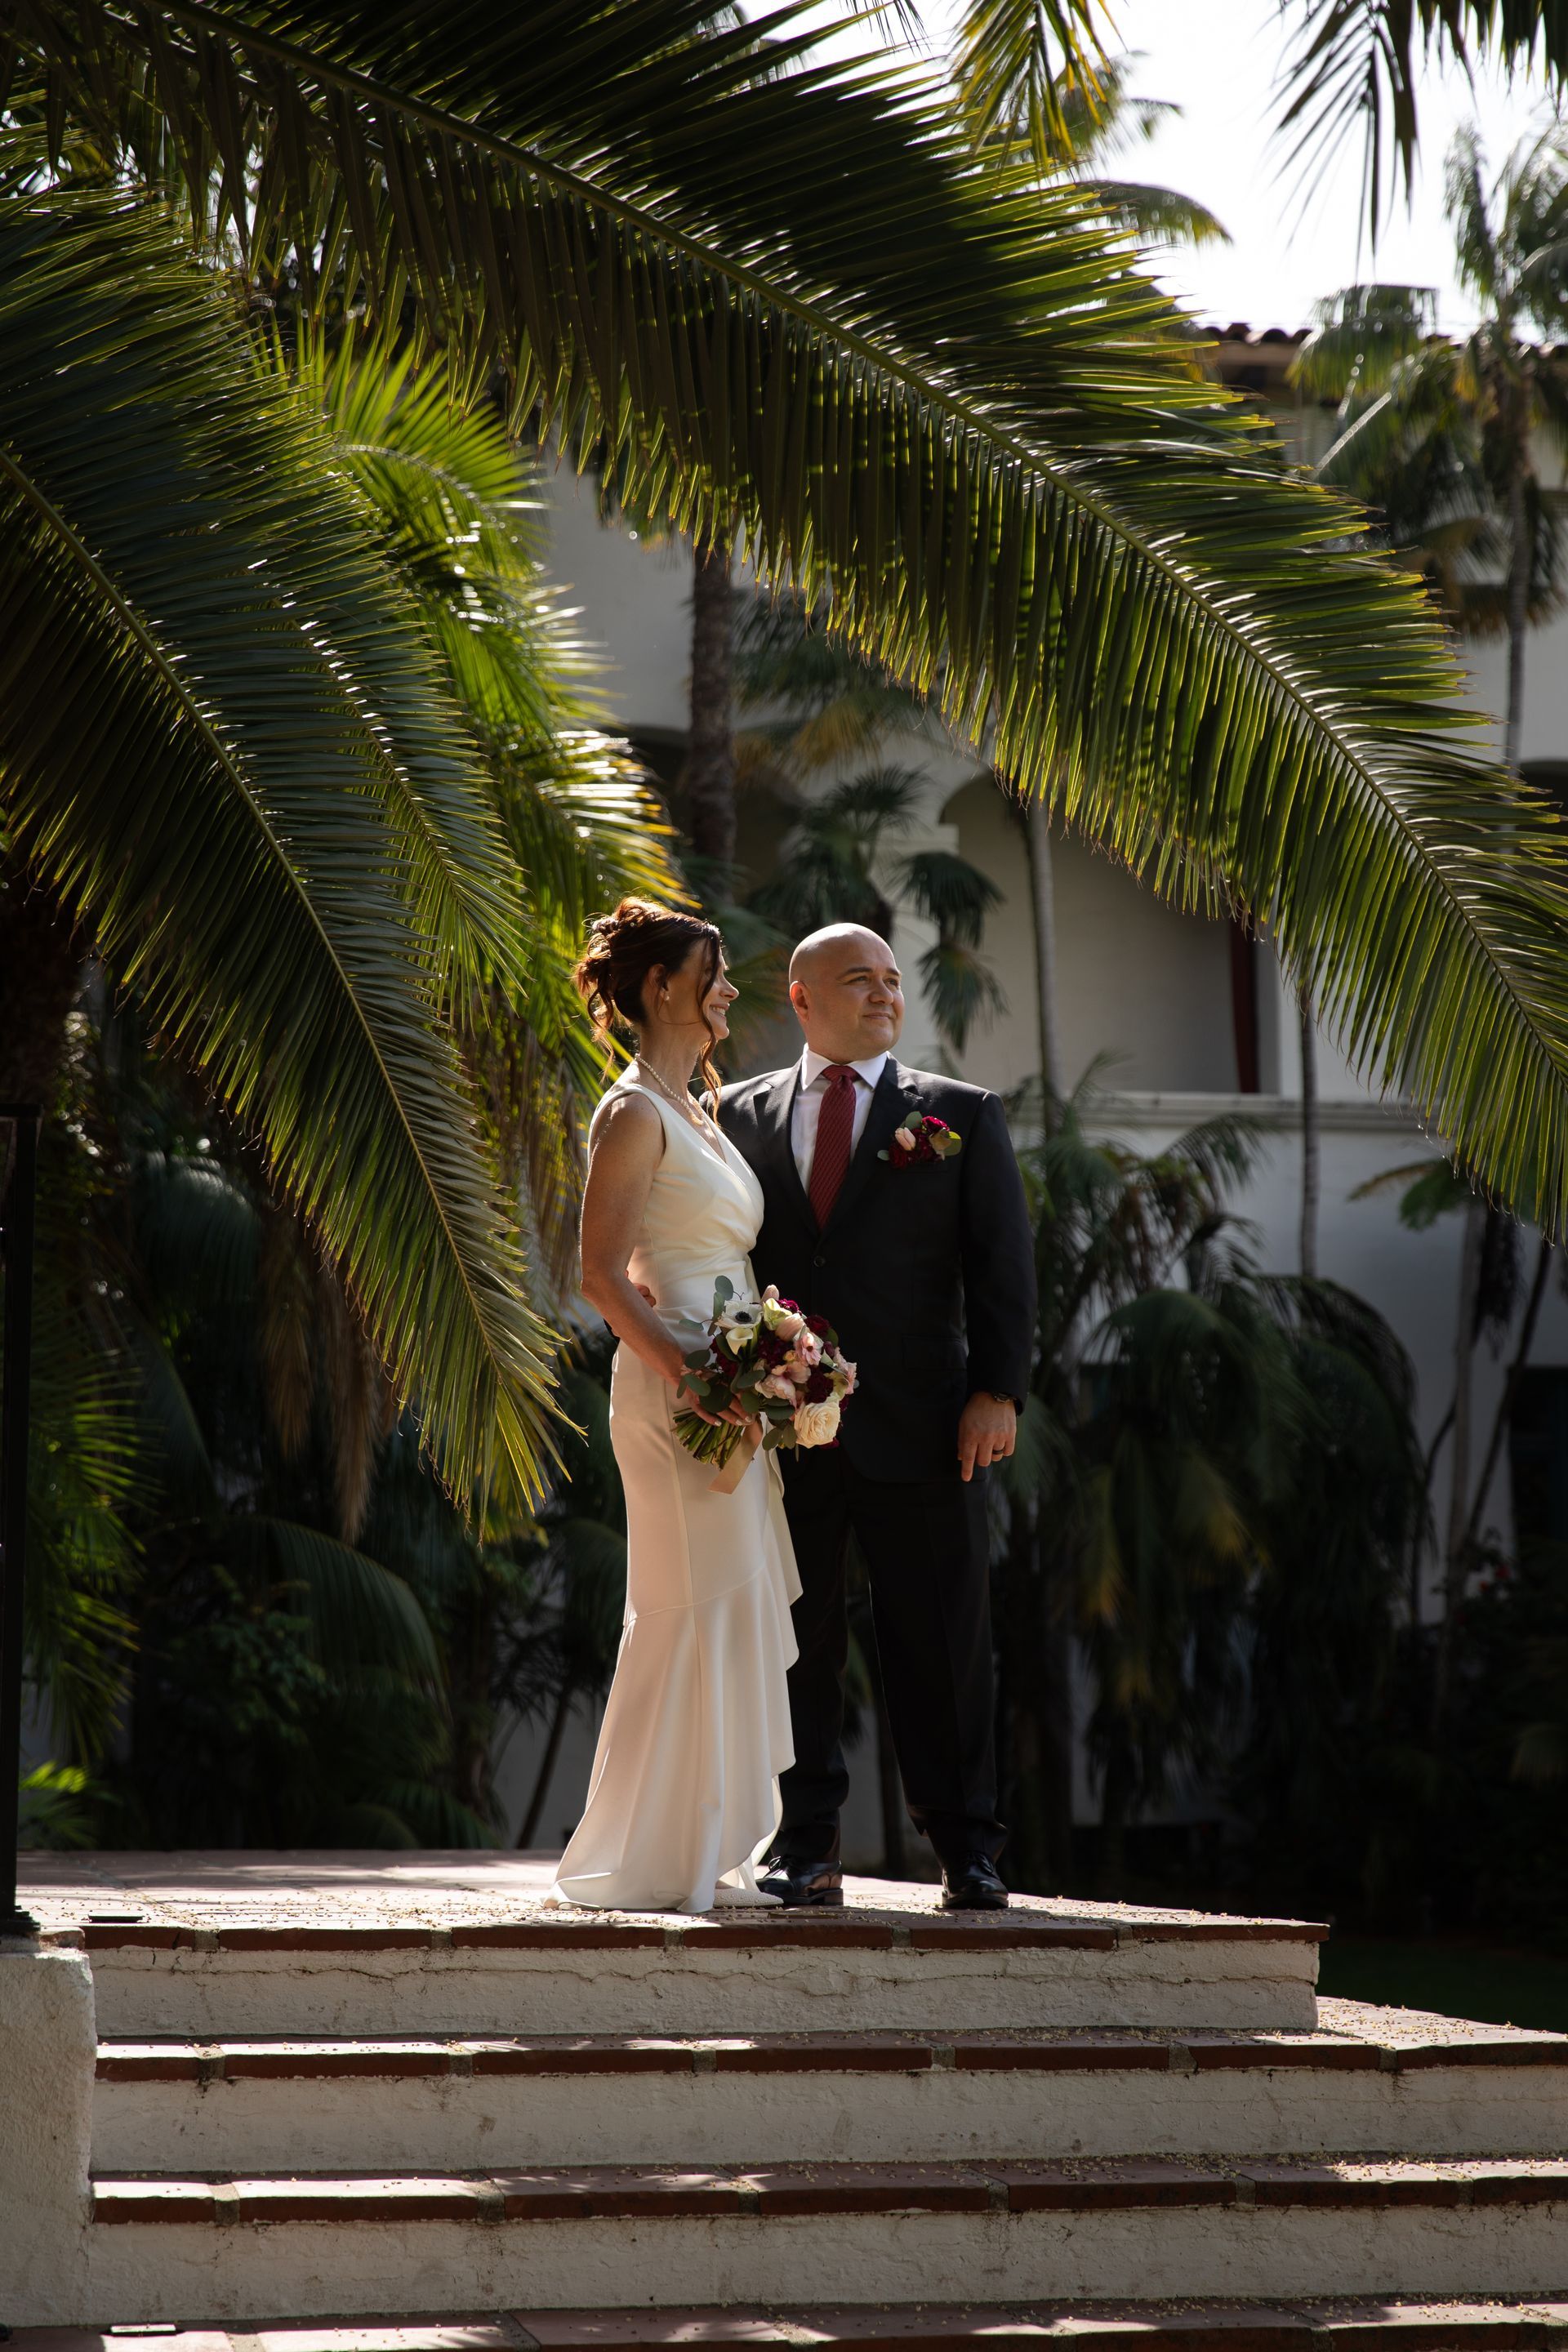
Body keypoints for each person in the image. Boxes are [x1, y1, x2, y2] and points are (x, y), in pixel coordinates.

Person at [719, 924, 1036, 1910]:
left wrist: (998, 1391)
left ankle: (968, 1850)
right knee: (797, 1644)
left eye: (893, 981)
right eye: (860, 979)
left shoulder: (959, 1116)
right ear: (802, 995)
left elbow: (1003, 1269)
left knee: (942, 1644)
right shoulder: (734, 1114)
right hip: (782, 1436)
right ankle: (805, 1845)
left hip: (929, 1428)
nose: (885, 993)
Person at [551, 898, 800, 1913]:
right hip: (678, 1388)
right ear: (663, 989)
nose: (731, 989)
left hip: (734, 1379)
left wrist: (777, 1359)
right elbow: (602, 1276)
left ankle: (712, 1849)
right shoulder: (632, 1112)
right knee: (687, 1605)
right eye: (714, 972)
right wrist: (692, 1375)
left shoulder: (695, 1103)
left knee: (732, 1603)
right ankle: (654, 1858)